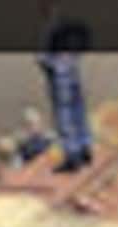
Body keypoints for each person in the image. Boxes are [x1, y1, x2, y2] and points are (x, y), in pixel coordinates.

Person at [36, 13, 93, 172]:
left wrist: (45, 61)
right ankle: (84, 147)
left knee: (64, 113)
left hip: (59, 70)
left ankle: (72, 154)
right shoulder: (70, 20)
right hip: (71, 67)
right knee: (77, 108)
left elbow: (44, 53)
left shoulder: (53, 24)